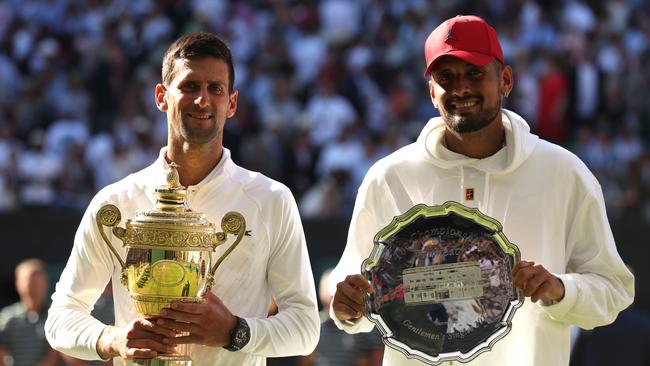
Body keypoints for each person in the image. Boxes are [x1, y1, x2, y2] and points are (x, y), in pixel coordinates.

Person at [328, 15, 634, 366]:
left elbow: (613, 291)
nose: (460, 89)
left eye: (474, 72)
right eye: (446, 77)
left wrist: (560, 290)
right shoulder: (389, 177)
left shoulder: (564, 173)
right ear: (431, 92)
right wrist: (347, 306)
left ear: (505, 80)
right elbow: (353, 289)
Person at [45, 32, 320, 366]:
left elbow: (306, 327)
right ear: (161, 97)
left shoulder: (273, 200)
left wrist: (235, 332)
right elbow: (60, 317)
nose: (202, 100)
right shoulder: (114, 203)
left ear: (231, 103)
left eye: (214, 89)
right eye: (189, 86)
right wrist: (112, 338)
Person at [0, 259, 61, 366]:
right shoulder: (6, 318)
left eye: (39, 282)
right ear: (18, 283)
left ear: (46, 283)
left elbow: (56, 354)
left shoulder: (55, 316)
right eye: (30, 281)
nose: (35, 287)